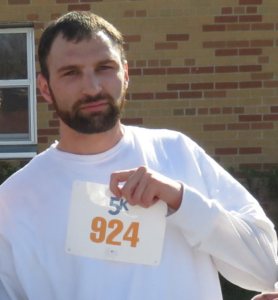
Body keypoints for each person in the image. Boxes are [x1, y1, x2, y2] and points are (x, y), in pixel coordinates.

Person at [0, 11, 277, 300]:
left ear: (126, 74)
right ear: (45, 88)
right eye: (71, 72)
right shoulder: (13, 201)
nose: (92, 87)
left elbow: (266, 269)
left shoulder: (177, 152)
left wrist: (183, 201)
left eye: (105, 67)